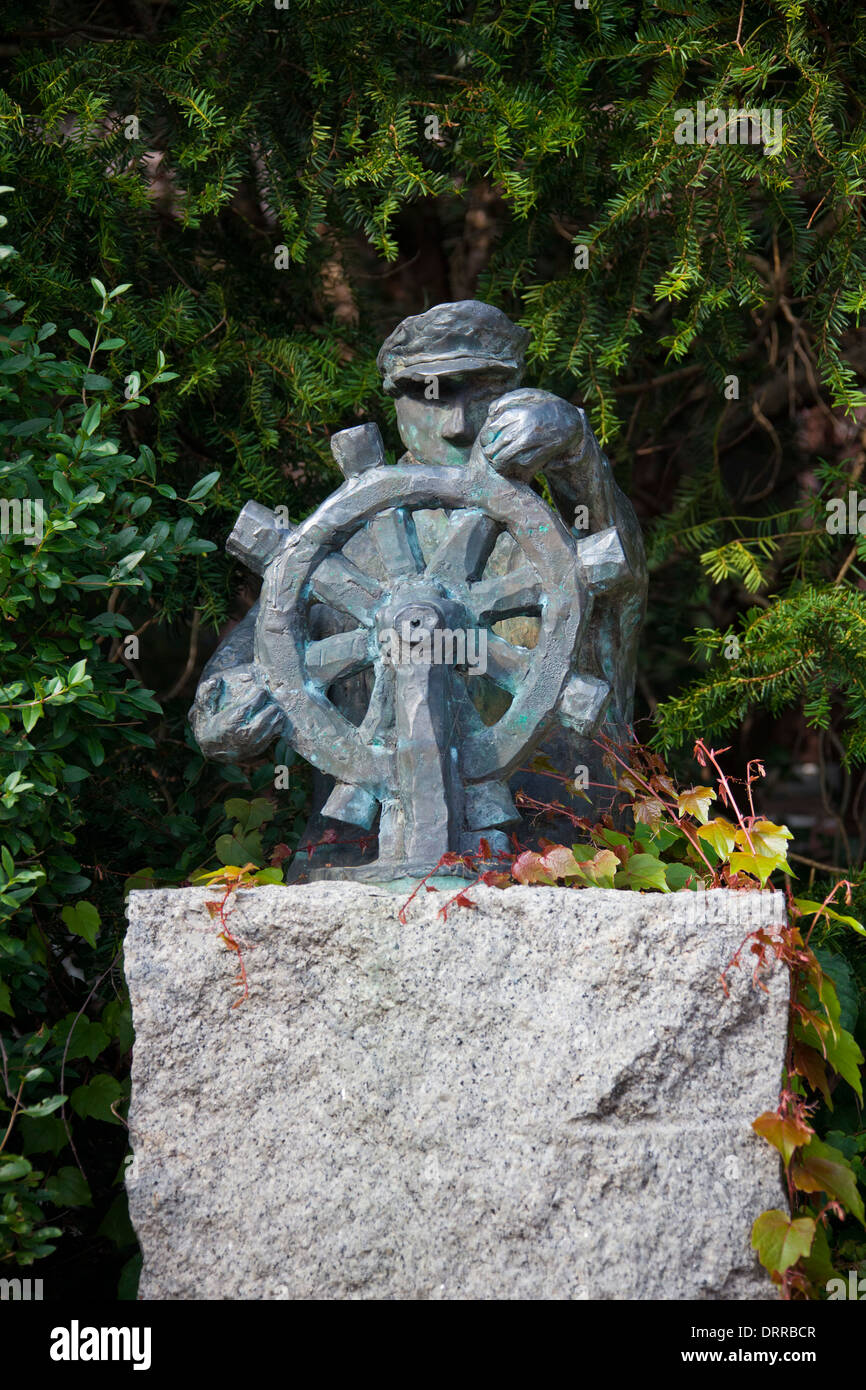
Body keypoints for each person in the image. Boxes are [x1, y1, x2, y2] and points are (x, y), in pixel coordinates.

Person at [191, 300, 647, 869]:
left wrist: (577, 449)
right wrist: (232, 702)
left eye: (480, 392)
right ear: (396, 400)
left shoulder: (554, 543)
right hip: (357, 857)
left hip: (561, 851)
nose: (458, 424)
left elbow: (621, 569)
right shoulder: (345, 548)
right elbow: (255, 656)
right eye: (433, 393)